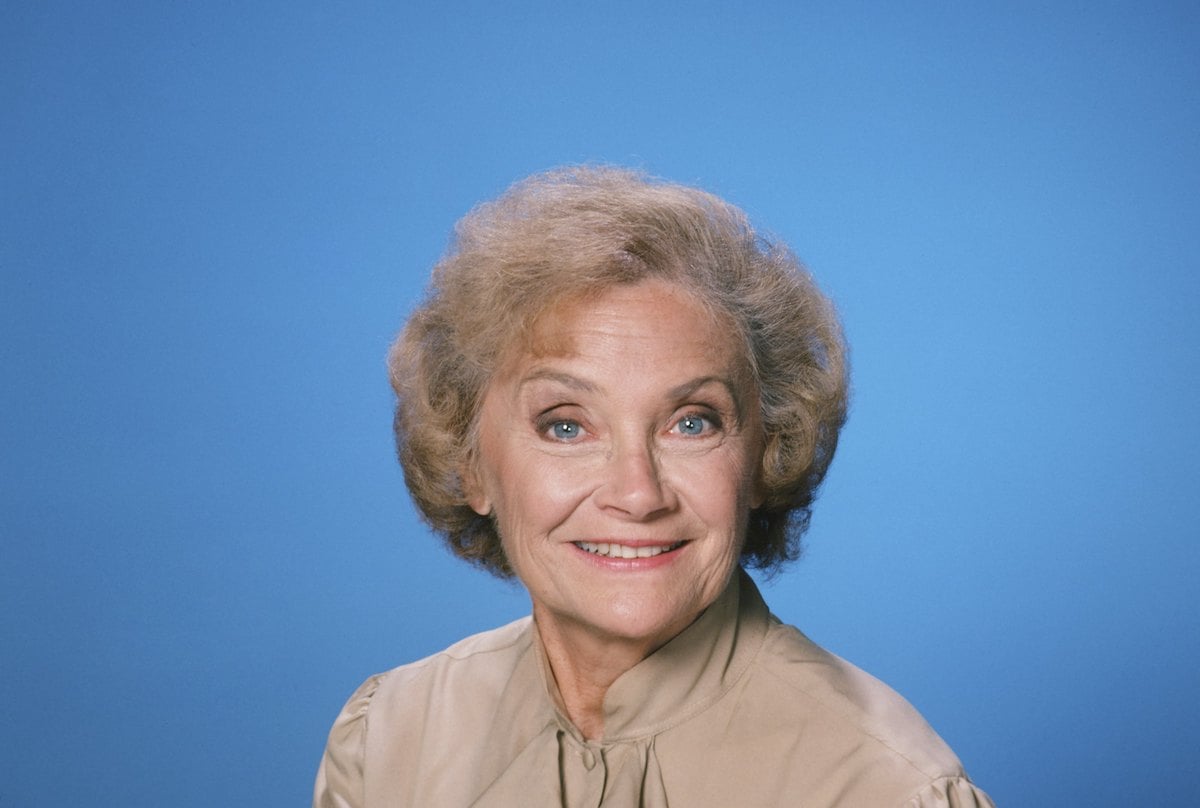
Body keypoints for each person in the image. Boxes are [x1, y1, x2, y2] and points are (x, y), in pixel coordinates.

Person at [314, 166, 994, 807]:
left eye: (692, 423)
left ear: (765, 455)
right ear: (470, 464)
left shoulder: (882, 786)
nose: (638, 495)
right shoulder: (389, 739)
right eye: (565, 427)